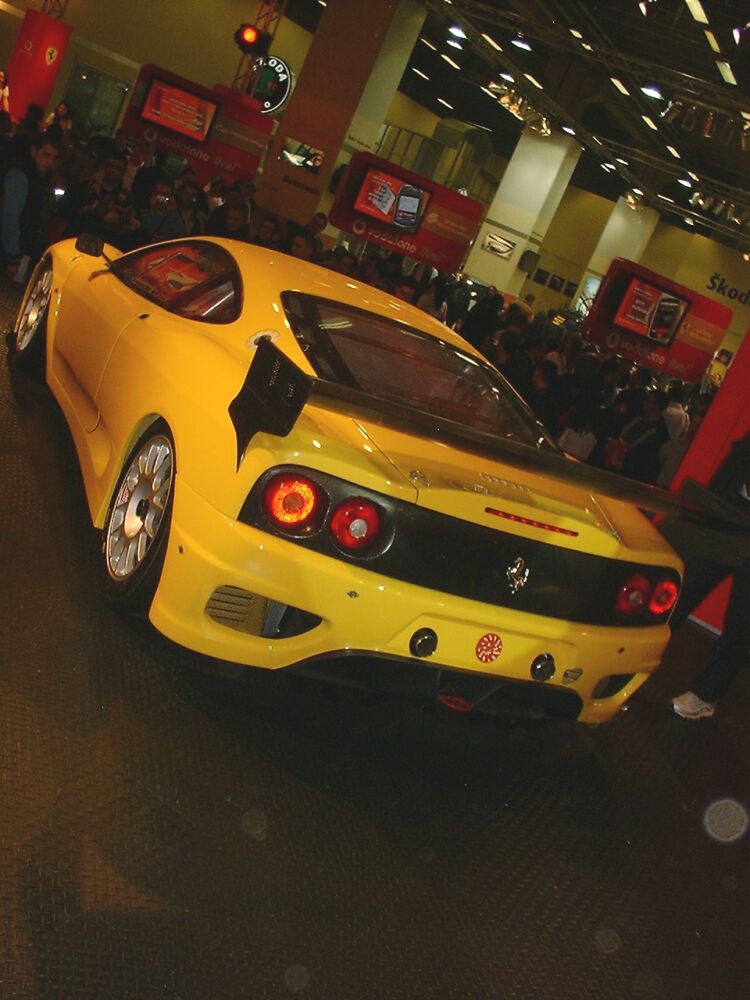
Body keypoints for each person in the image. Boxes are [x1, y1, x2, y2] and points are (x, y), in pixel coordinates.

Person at [670, 430, 750, 719]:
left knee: (741, 623)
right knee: (685, 589)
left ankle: (706, 695)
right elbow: (736, 462)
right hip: (729, 520)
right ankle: (632, 657)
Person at [1, 132, 59, 279]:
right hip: (10, 250)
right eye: (46, 156)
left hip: (22, 249)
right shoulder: (20, 175)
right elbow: (10, 217)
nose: (49, 162)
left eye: (53, 158)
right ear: (34, 151)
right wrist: (13, 256)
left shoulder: (41, 178)